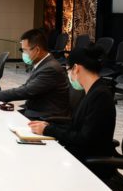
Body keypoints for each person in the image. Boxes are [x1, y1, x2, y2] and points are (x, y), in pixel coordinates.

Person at [28, 46, 117, 182]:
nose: (68, 74)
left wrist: (48, 130)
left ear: (76, 68)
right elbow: (78, 126)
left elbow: (84, 139)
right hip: (81, 154)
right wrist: (49, 126)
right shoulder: (93, 91)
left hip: (89, 165)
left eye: (68, 70)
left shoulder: (100, 96)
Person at [0, 28, 70, 119]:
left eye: (24, 50)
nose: (23, 54)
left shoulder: (50, 68)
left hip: (45, 118)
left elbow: (27, 91)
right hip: (36, 111)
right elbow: (27, 86)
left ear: (37, 50)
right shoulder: (43, 63)